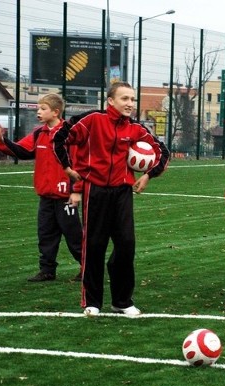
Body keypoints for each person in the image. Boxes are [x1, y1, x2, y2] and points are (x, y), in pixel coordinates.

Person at [53, 82, 169, 317]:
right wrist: (66, 167)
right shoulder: (92, 120)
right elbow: (60, 137)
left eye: (132, 99)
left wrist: (148, 174)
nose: (130, 104)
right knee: (94, 246)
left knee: (126, 244)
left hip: (122, 192)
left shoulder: (136, 129)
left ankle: (122, 301)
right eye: (125, 98)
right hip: (94, 190)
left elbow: (162, 152)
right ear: (110, 101)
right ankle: (92, 301)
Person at [0, 94, 82, 282]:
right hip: (46, 195)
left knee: (73, 234)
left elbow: (78, 164)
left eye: (42, 109)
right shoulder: (39, 133)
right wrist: (4, 141)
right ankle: (47, 270)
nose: (38, 113)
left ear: (56, 112)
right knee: (45, 233)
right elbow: (23, 151)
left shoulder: (69, 134)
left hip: (65, 196)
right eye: (38, 109)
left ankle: (87, 268)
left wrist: (75, 189)